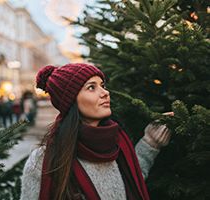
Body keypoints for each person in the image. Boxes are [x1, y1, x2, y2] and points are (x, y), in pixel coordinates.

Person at [20, 63, 171, 200]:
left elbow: (133, 179)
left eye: (102, 85)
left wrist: (150, 142)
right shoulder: (43, 161)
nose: (105, 93)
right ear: (71, 101)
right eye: (91, 87)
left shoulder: (117, 141)